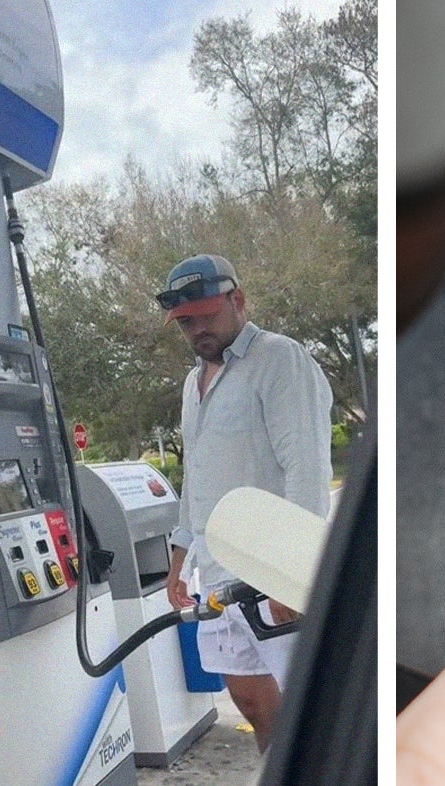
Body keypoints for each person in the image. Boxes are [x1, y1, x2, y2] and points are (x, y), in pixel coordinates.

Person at [159, 253, 334, 752]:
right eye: (186, 322)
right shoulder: (194, 386)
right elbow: (197, 478)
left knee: (308, 713)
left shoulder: (280, 360)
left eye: (207, 315)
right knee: (256, 707)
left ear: (238, 300)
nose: (197, 330)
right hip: (217, 576)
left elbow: (306, 471)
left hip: (270, 573)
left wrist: (292, 571)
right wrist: (179, 560)